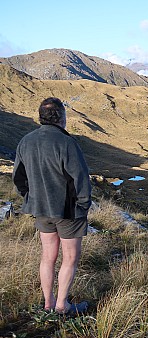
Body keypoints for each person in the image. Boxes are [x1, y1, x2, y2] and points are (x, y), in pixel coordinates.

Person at [13, 97, 91, 315]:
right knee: (70, 258)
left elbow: (18, 177)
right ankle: (61, 305)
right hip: (68, 212)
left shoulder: (25, 141)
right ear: (61, 117)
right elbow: (81, 179)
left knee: (48, 256)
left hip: (41, 209)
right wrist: (83, 207)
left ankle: (48, 303)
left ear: (41, 117)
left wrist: (32, 197)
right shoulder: (67, 143)